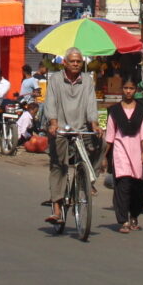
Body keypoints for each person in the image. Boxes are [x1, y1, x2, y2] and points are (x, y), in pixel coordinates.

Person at [43, 48, 98, 227]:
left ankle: (88, 179)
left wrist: (95, 124)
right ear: (65, 63)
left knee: (102, 145)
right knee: (59, 165)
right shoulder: (55, 80)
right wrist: (53, 123)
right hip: (59, 129)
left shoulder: (88, 81)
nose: (76, 64)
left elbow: (91, 104)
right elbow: (50, 102)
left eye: (79, 61)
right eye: (72, 61)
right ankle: (57, 208)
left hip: (81, 127)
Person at [103, 78, 143, 234]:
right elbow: (110, 135)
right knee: (122, 184)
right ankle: (123, 220)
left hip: (137, 151)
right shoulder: (115, 111)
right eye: (125, 88)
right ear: (122, 89)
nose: (128, 91)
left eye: (131, 88)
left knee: (137, 186)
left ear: (136, 90)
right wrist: (104, 156)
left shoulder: (142, 110)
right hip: (120, 151)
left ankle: (134, 215)